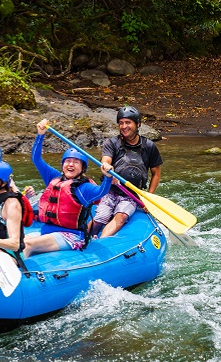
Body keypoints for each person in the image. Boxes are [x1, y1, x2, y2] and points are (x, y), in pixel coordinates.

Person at [23, 119, 112, 256]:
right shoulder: (54, 178)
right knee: (18, 240)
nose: (70, 164)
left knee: (27, 244)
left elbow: (101, 192)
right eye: (68, 161)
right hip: (48, 231)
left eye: (76, 162)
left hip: (71, 236)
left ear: (83, 168)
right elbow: (36, 159)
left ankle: (22, 275)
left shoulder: (84, 188)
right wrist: (40, 135)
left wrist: (107, 177)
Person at [94, 105, 163, 238]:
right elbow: (105, 161)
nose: (124, 126)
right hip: (110, 190)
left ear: (137, 124)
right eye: (121, 123)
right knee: (101, 217)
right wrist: (108, 169)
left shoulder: (149, 146)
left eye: (128, 122)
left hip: (131, 195)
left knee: (121, 218)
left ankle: (101, 242)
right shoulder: (112, 143)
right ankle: (84, 240)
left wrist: (149, 199)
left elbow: (156, 174)